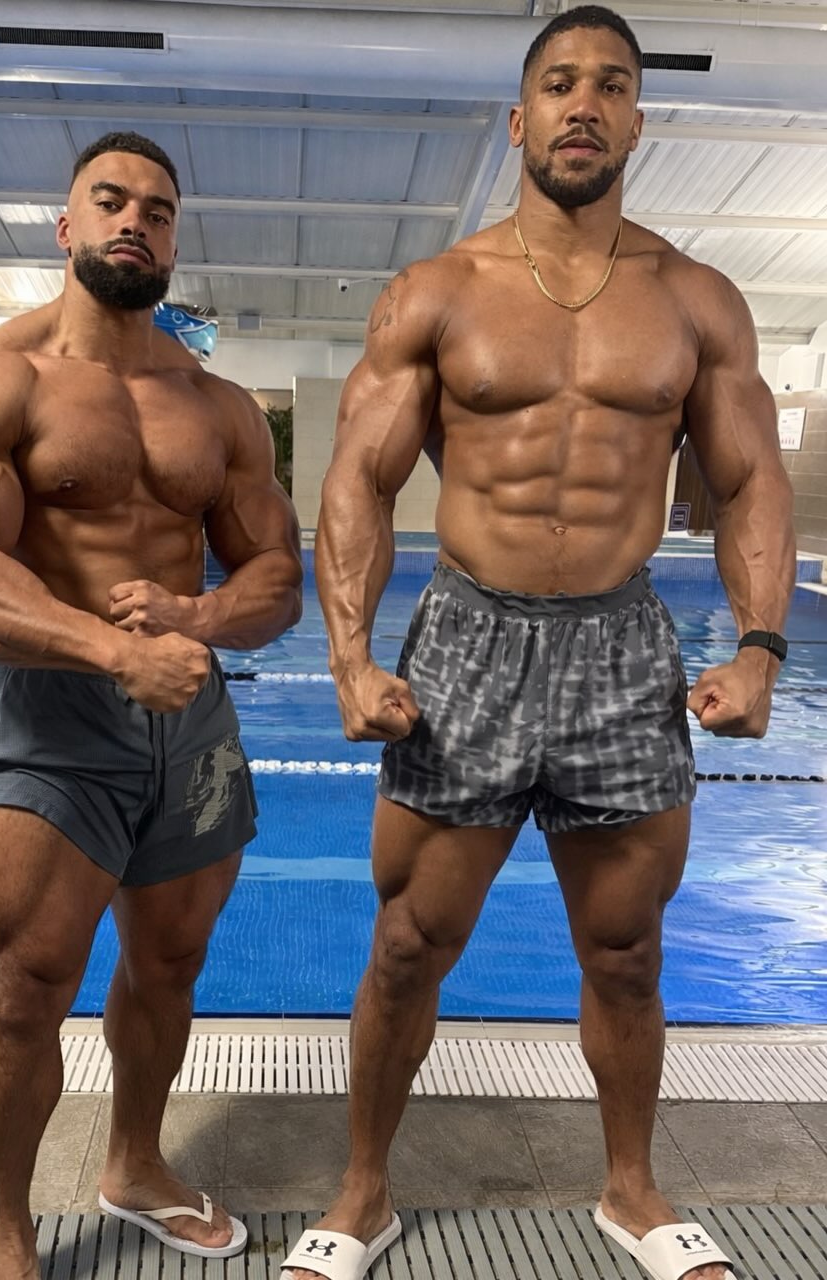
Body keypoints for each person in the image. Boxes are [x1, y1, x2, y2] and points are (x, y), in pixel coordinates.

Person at [283, 8, 793, 1280]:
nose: (583, 104)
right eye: (559, 83)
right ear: (519, 118)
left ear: (636, 122)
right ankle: (362, 1190)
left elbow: (749, 482)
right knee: (409, 939)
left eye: (610, 86)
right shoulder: (440, 291)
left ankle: (630, 1189)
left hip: (621, 643)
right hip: (468, 636)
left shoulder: (695, 298)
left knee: (625, 948)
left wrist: (760, 646)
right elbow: (356, 482)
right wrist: (349, 656)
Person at [0, 130, 302, 1280]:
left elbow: (275, 577)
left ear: (174, 239)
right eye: (110, 201)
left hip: (191, 721)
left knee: (169, 963)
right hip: (52, 722)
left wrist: (195, 618)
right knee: (25, 987)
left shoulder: (217, 407)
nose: (134, 221)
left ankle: (135, 1163)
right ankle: (9, 1229)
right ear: (65, 226)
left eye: (157, 210)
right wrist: (112, 651)